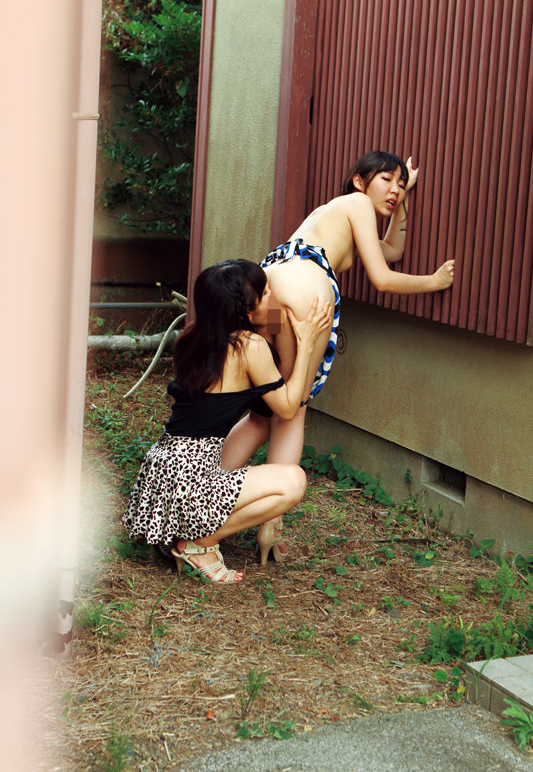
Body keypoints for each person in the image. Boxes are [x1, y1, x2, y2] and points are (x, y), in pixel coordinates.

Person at [221, 151, 455, 472]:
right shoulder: (358, 203)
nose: (395, 190)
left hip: (269, 296)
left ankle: (211, 487)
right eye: (387, 179)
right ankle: (275, 505)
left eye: (400, 185)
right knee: (293, 409)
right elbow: (382, 278)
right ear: (359, 181)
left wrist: (403, 196)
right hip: (303, 295)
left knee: (265, 410)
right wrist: (434, 281)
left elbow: (392, 249)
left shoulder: (332, 214)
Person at [122, 259, 332, 583]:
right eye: (265, 294)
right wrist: (305, 344)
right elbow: (288, 409)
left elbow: (261, 412)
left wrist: (275, 324)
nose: (274, 295)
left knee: (256, 426)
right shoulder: (249, 346)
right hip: (192, 479)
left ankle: (183, 531)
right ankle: (200, 543)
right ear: (246, 312)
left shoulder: (196, 337)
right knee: (294, 481)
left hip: (164, 472)